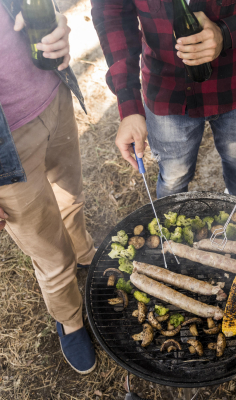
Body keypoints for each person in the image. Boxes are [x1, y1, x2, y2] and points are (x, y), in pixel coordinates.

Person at [90, 0, 236, 200]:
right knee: (173, 178)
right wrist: (129, 103)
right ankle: (172, 228)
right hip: (166, 89)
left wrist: (226, 32)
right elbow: (111, 12)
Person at [0, 1, 96, 374]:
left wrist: (55, 24)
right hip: (5, 149)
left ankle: (86, 252)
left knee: (72, 198)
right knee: (50, 255)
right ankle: (70, 321)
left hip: (53, 94)